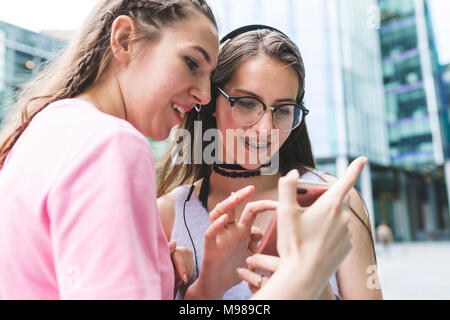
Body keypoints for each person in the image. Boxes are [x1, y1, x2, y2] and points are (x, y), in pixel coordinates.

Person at [0, 0, 360, 300]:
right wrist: (301, 280)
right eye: (191, 63)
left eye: (283, 109)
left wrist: (201, 290)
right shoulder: (112, 144)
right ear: (124, 40)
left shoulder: (42, 131)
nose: (202, 95)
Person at [157, 25, 383, 300]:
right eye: (247, 103)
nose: (265, 129)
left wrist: (312, 283)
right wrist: (203, 290)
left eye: (283, 110)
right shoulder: (168, 214)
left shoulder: (333, 200)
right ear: (211, 102)